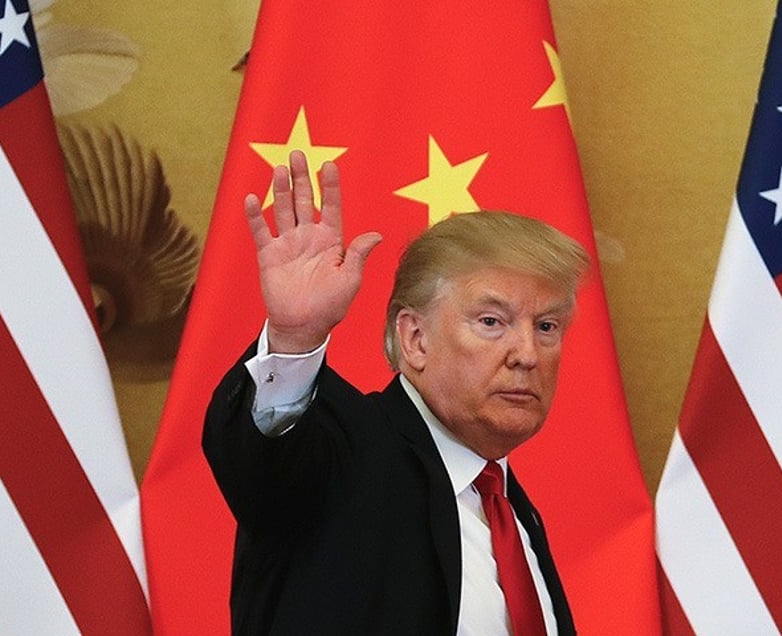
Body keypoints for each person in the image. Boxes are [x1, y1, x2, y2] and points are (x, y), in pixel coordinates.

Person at [203, 150, 588, 635]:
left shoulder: (511, 512)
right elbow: (264, 459)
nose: (527, 354)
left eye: (547, 326)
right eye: (492, 322)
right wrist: (294, 340)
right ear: (415, 339)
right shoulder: (344, 455)